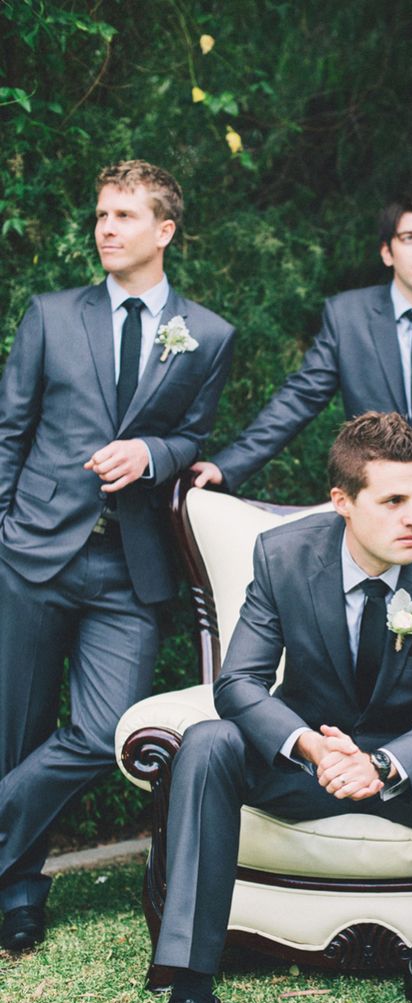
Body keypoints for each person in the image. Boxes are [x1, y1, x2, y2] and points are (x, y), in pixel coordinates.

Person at [130, 412, 412, 1003]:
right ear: (342, 501)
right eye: (394, 500)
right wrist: (312, 747)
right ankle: (193, 996)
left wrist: (385, 762)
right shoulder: (282, 555)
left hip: (411, 775)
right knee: (206, 741)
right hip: (305, 765)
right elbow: (240, 683)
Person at [0, 160, 235, 952]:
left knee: (107, 731)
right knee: (19, 731)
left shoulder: (207, 334)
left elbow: (192, 436)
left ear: (164, 231)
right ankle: (21, 891)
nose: (106, 228)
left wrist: (152, 454)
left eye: (125, 216)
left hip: (129, 570)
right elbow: (10, 432)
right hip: (33, 553)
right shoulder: (51, 316)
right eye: (101, 214)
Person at [192, 188, 412, 492]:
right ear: (387, 252)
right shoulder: (347, 317)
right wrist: (227, 466)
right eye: (409, 238)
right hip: (371, 497)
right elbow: (298, 400)